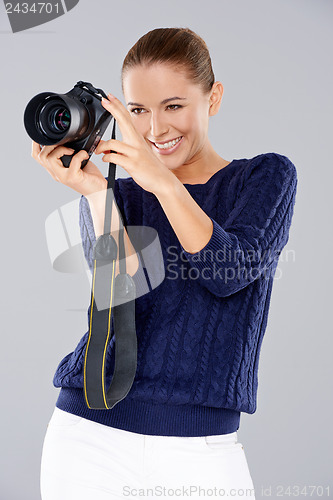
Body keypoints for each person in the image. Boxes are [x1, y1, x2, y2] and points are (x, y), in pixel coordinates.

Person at [32, 27, 298, 500]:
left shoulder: (264, 176)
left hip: (201, 450)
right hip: (88, 436)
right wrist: (97, 194)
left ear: (213, 97)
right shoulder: (118, 188)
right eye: (137, 110)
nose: (155, 129)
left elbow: (228, 273)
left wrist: (162, 182)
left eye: (174, 106)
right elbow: (122, 292)